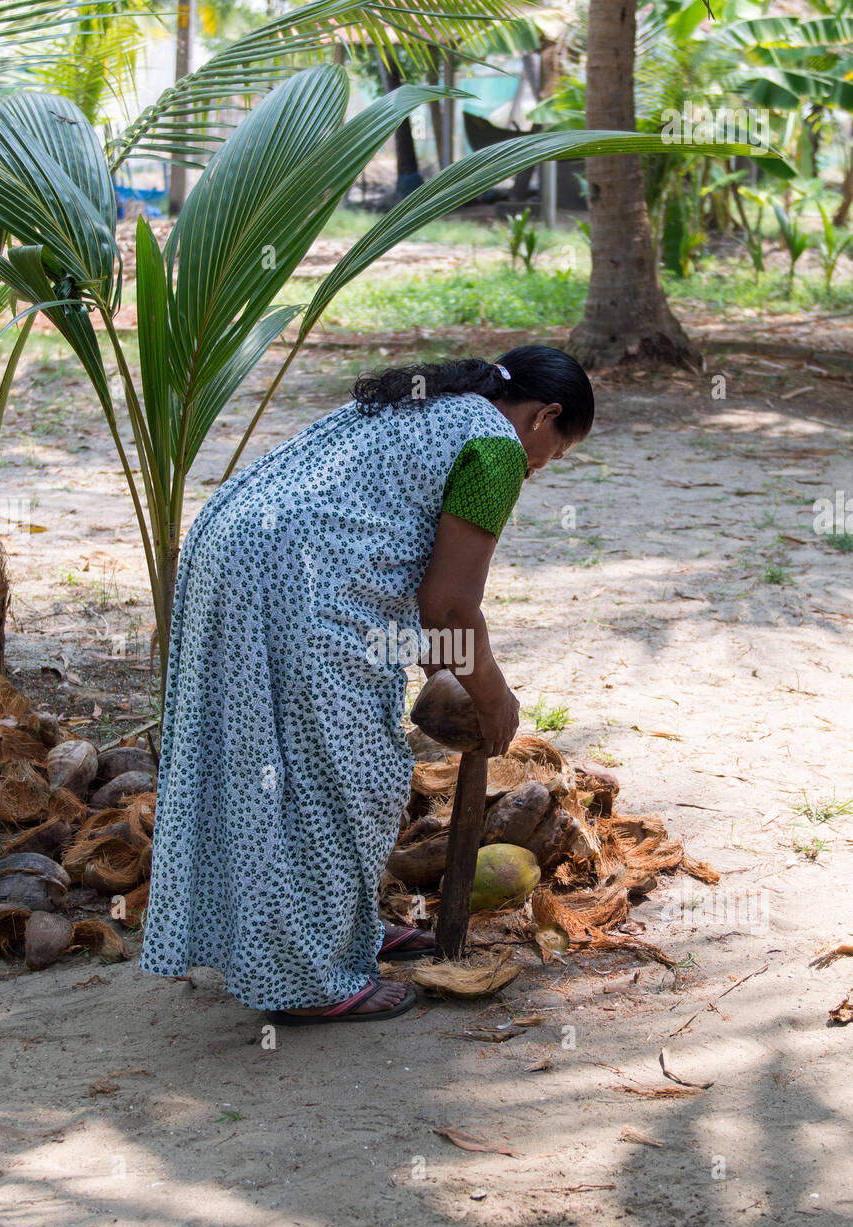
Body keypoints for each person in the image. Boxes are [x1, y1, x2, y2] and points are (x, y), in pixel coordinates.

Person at [139, 345, 594, 1024]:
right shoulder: (497, 447)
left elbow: (419, 580)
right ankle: (311, 982)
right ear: (544, 415)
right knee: (347, 774)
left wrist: (449, 677)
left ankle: (330, 935)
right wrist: (497, 703)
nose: (537, 469)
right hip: (292, 582)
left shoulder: (433, 405)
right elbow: (449, 606)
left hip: (232, 552)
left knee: (283, 767)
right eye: (552, 454)